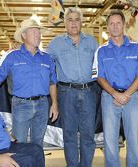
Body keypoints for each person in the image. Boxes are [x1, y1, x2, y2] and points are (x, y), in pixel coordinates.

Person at [0, 19, 58, 147]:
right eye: (34, 31)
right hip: (21, 105)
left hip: (43, 105)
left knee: (38, 144)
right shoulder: (12, 56)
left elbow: (52, 83)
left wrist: (55, 104)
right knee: (19, 143)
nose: (38, 35)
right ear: (24, 35)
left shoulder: (47, 58)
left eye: (39, 32)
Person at [92, 10, 138, 167]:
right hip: (109, 98)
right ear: (107, 27)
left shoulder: (137, 48)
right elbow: (99, 77)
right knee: (110, 140)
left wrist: (126, 95)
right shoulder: (101, 50)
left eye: (118, 23)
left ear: (124, 25)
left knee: (132, 139)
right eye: (111, 24)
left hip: (132, 98)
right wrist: (115, 94)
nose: (115, 26)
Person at [46, 7, 101, 167]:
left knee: (88, 135)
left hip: (90, 92)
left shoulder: (92, 41)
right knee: (69, 134)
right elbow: (44, 65)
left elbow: (101, 64)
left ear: (81, 22)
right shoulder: (55, 44)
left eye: (77, 19)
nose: (73, 23)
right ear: (65, 23)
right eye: (70, 20)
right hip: (66, 93)